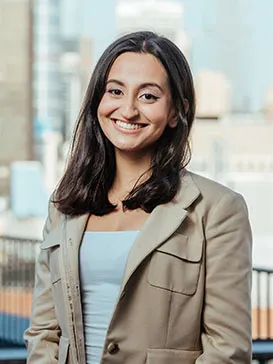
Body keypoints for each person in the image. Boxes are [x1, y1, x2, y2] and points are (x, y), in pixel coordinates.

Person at [24, 31, 252, 364]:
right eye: (115, 91)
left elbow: (227, 349)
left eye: (148, 96)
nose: (127, 109)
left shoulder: (217, 209)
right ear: (97, 102)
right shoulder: (65, 204)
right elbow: (44, 333)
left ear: (177, 110)